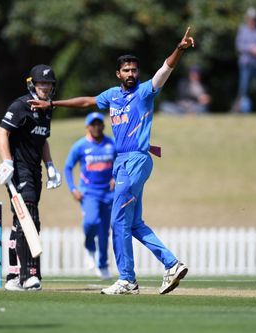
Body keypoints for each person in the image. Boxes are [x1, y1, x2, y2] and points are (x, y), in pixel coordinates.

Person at [29, 27, 195, 295]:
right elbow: (87, 101)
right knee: (133, 223)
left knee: (118, 221)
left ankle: (127, 279)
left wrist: (180, 49)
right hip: (124, 163)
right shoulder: (112, 96)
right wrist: (53, 105)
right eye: (126, 70)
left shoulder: (144, 93)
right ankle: (171, 264)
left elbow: (165, 70)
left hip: (135, 162)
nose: (131, 74)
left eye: (134, 70)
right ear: (118, 74)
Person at [0, 64, 62, 292]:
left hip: (35, 170)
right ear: (33, 84)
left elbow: (42, 139)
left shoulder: (47, 109)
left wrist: (50, 165)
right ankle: (29, 275)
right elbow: (2, 133)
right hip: (19, 169)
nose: (45, 87)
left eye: (49, 84)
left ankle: (13, 276)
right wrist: (7, 161)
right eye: (41, 83)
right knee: (29, 219)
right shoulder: (21, 105)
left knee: (21, 224)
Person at [64, 112, 116, 280]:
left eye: (98, 124)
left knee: (104, 232)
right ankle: (89, 248)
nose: (96, 127)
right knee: (91, 221)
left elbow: (121, 162)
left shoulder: (112, 144)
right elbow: (68, 167)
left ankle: (102, 264)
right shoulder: (80, 145)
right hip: (88, 193)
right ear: (87, 127)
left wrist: (116, 177)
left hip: (109, 194)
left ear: (103, 125)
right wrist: (73, 189)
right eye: (92, 124)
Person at [235, 7, 256, 113]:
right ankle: (244, 110)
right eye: (250, 18)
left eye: (254, 19)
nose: (252, 21)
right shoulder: (243, 29)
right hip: (246, 63)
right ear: (247, 19)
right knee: (244, 88)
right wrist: (250, 48)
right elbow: (239, 45)